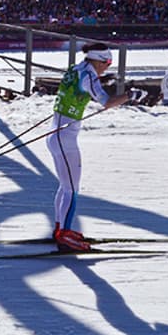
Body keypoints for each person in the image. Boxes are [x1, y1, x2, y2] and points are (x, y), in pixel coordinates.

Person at [47, 43, 132, 252]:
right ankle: (64, 236)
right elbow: (107, 102)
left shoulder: (76, 69)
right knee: (72, 189)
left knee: (65, 186)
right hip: (65, 137)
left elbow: (76, 90)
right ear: (96, 59)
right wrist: (131, 96)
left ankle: (60, 229)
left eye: (109, 63)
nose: (107, 66)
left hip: (56, 134)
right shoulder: (89, 76)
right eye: (106, 62)